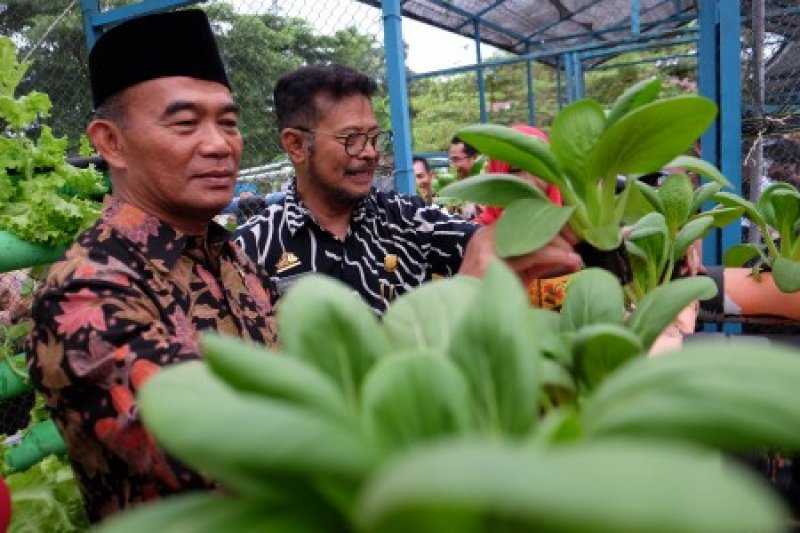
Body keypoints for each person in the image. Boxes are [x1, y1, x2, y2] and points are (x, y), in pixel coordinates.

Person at [26, 10, 276, 522]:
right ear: (109, 142)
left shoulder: (233, 258)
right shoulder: (85, 291)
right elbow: (218, 456)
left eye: (227, 122)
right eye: (185, 123)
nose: (218, 144)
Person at [234, 64, 580, 315]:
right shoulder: (251, 248)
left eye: (374, 137)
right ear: (295, 145)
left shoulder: (409, 219)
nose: (370, 152)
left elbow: (482, 241)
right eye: (351, 138)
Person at [476, 124, 562, 226]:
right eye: (515, 171)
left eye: (538, 171)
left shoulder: (576, 232)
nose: (530, 183)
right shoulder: (475, 237)